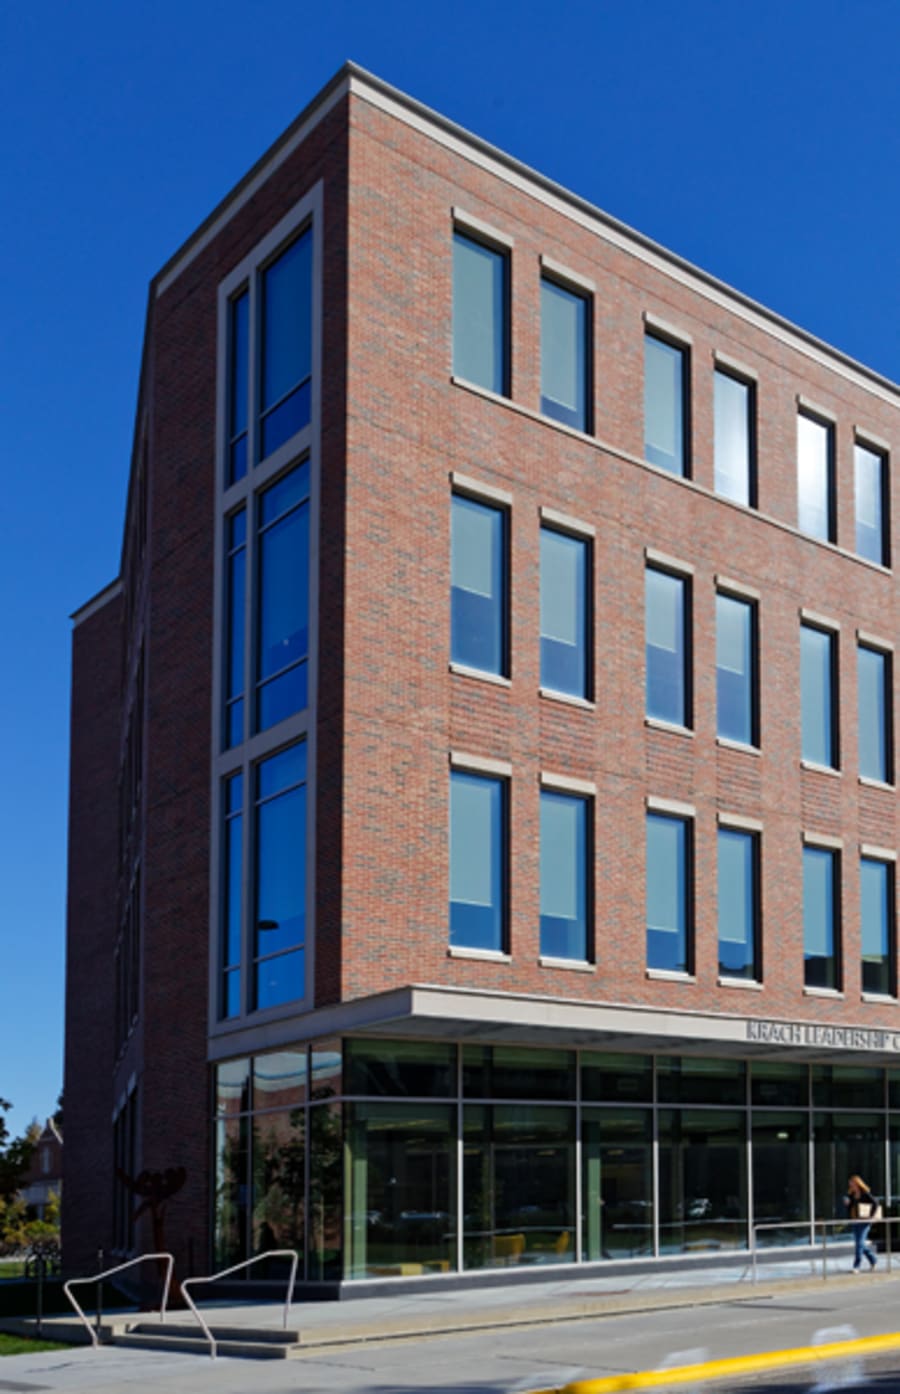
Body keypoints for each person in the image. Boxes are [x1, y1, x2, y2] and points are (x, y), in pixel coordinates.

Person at [844, 1174, 878, 1271]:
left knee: (859, 1244)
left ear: (857, 1183)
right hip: (855, 1221)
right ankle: (873, 1260)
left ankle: (856, 1266)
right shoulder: (851, 1195)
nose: (851, 1186)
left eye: (852, 1183)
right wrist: (847, 1204)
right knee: (860, 1244)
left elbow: (875, 1203)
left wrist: (871, 1216)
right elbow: (850, 1208)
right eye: (850, 1184)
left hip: (865, 1222)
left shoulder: (865, 1193)